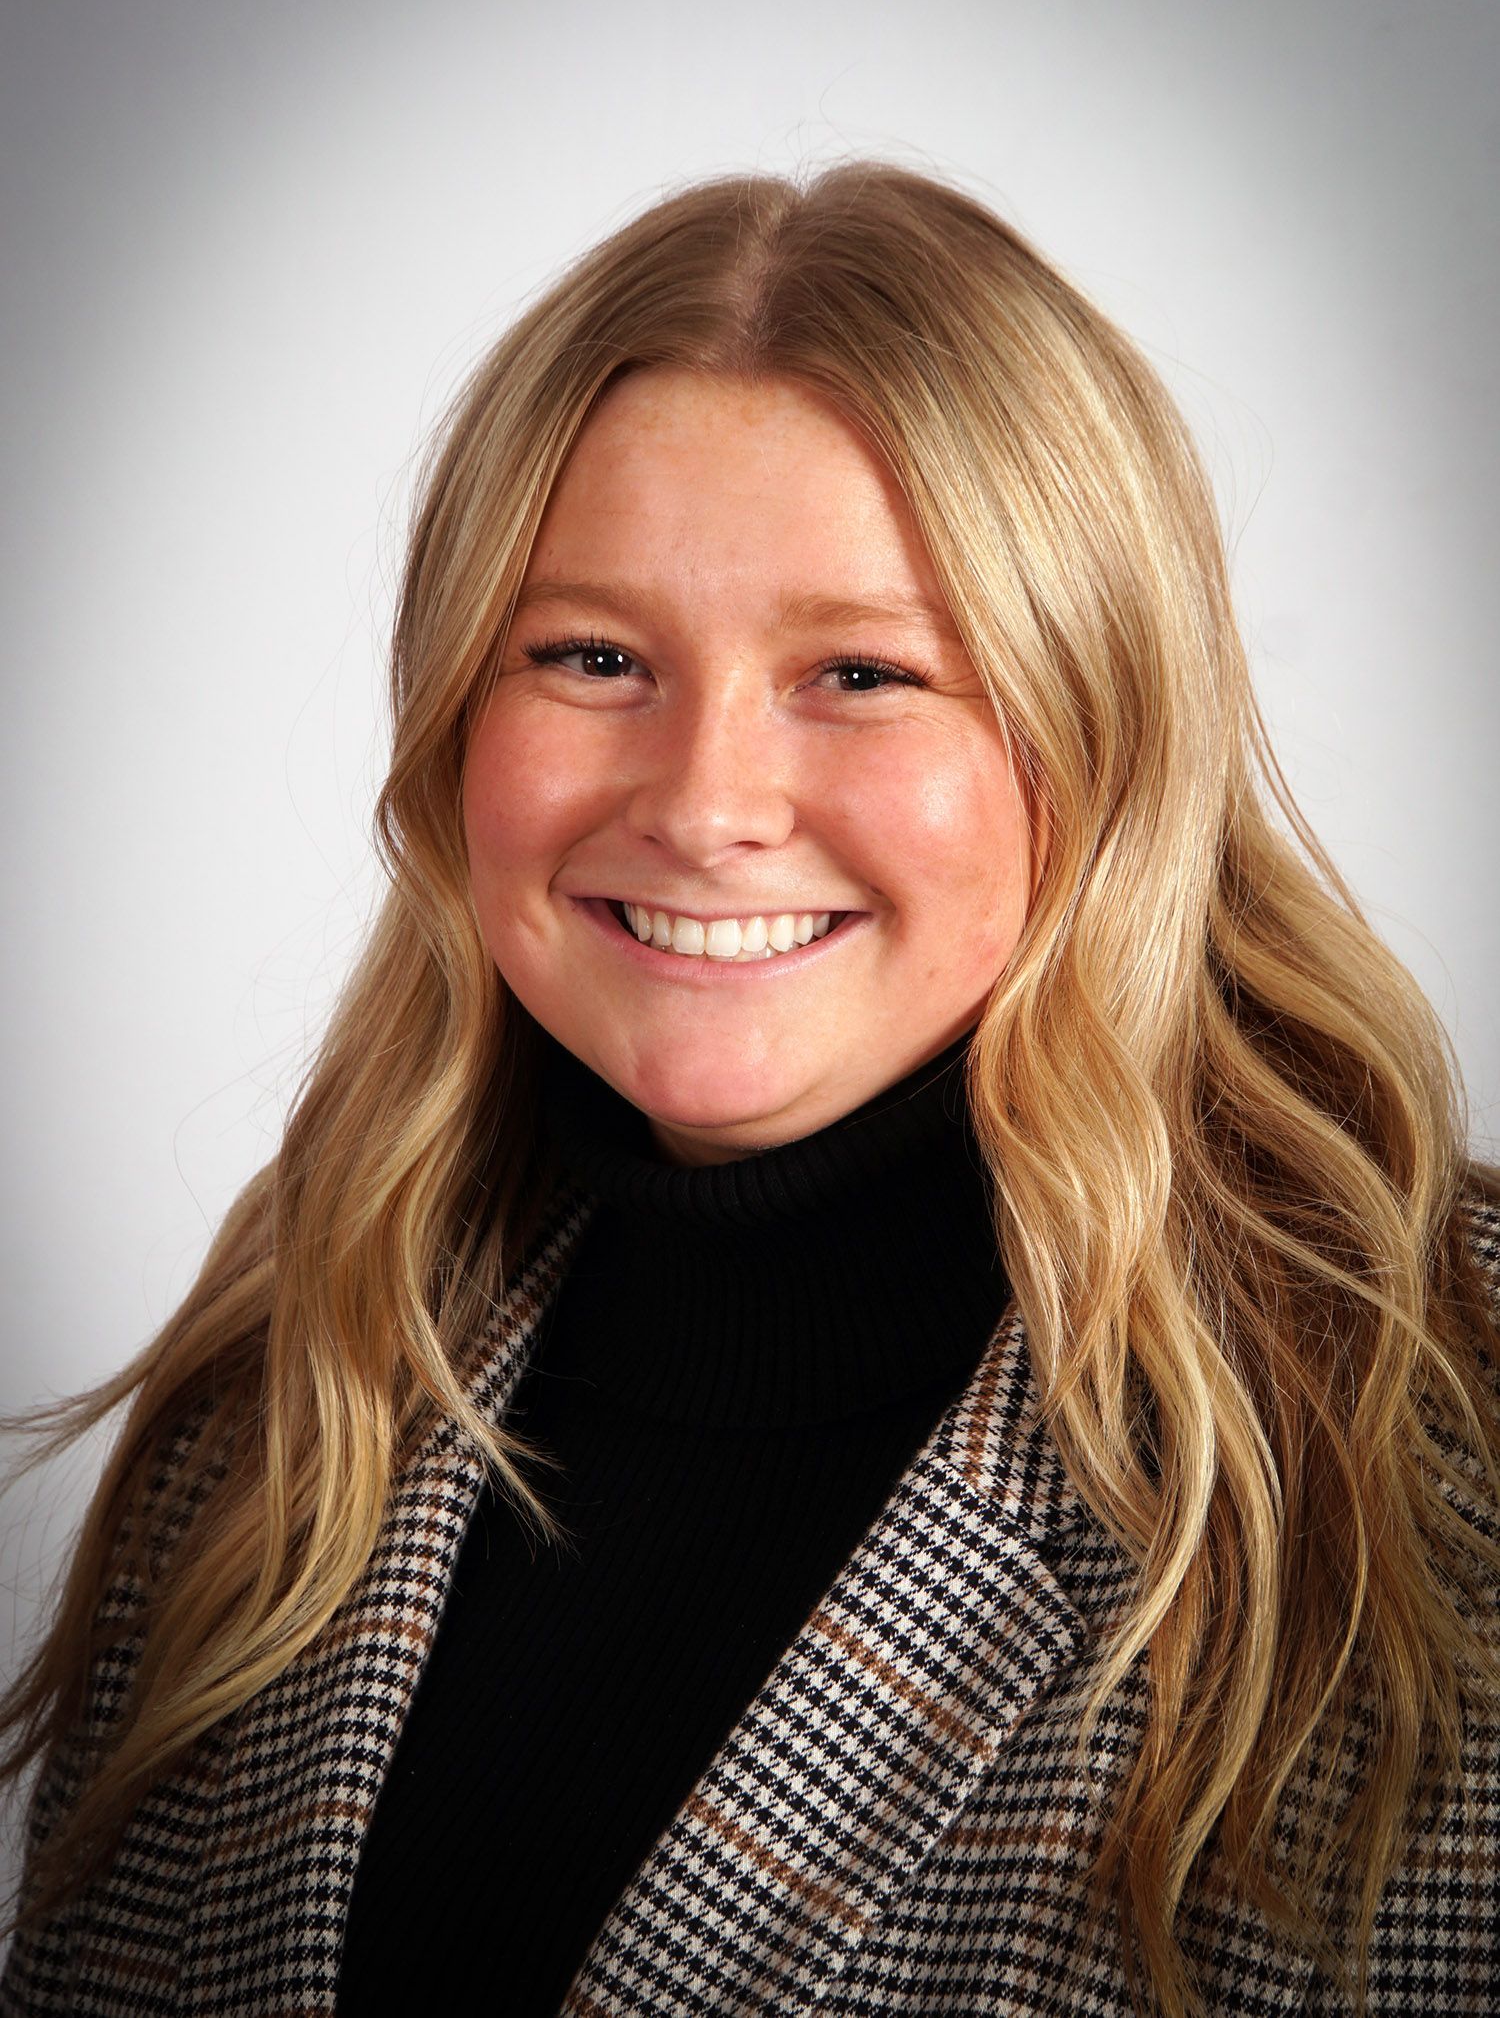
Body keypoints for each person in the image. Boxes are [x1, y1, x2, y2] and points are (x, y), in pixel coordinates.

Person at [2, 162, 1496, 2018]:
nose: (705, 804)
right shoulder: (281, 1389)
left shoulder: (1444, 1435)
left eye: (861, 672)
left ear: (1101, 739)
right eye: (593, 657)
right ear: (457, 710)